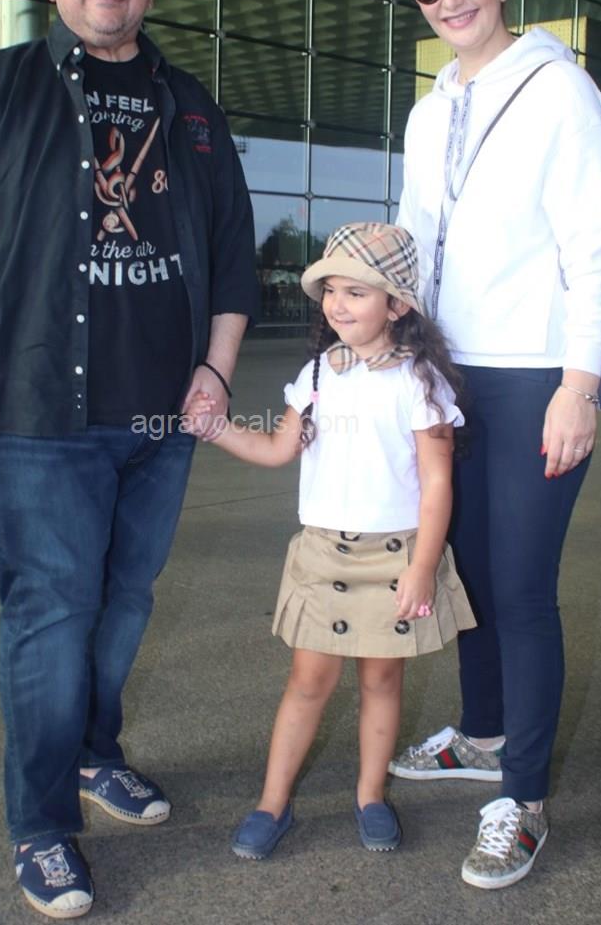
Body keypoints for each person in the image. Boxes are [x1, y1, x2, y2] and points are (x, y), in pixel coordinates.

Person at [0, 0, 258, 920]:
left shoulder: (190, 107)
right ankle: (42, 822)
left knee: (124, 601)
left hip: (160, 415)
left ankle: (97, 753)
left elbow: (231, 251)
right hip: (33, 411)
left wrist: (217, 373)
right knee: (52, 614)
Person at [386, 0, 601, 890]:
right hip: (448, 371)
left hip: (535, 371)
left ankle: (520, 796)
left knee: (521, 586)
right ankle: (483, 733)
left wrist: (578, 384)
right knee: (472, 575)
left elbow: (595, 248)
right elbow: (410, 243)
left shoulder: (559, 91)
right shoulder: (427, 108)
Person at [185, 222, 476, 859]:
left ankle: (371, 796)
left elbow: (437, 484)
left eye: (357, 293)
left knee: (382, 682)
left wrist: (423, 567)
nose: (338, 305)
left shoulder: (421, 381)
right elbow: (277, 448)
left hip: (395, 557)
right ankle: (272, 802)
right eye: (332, 291)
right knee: (307, 682)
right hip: (323, 554)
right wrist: (218, 430)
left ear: (396, 307)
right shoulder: (318, 373)